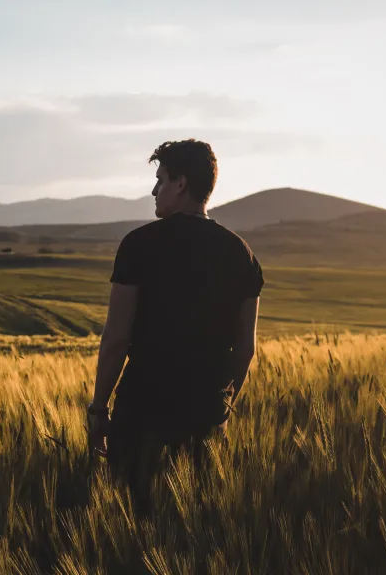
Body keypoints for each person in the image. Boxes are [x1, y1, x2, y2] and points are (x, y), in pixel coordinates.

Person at [86, 139, 263, 506]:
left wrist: (99, 407)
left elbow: (117, 337)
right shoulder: (242, 253)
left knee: (132, 521)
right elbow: (245, 348)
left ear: (181, 183)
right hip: (206, 413)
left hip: (142, 409)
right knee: (196, 529)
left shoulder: (138, 245)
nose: (154, 190)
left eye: (160, 180)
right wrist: (223, 406)